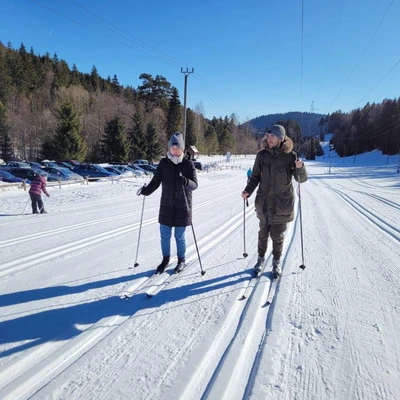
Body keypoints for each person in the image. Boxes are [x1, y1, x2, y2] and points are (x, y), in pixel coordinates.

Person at [241, 124, 308, 277]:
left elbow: (301, 179)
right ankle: (260, 259)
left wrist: (300, 167)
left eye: (273, 137)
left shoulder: (291, 156)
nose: (269, 139)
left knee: (277, 236)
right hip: (264, 202)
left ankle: (276, 262)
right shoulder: (261, 155)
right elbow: (255, 177)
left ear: (281, 138)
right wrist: (247, 191)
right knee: (262, 234)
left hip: (282, 204)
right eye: (268, 136)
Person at [139, 132, 198, 274]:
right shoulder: (164, 163)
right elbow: (156, 181)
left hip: (182, 206)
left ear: (182, 149)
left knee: (179, 236)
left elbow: (195, 184)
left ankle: (181, 260)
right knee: (164, 235)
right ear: (169, 148)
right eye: (173, 147)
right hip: (166, 206)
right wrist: (146, 191)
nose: (175, 150)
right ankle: (165, 259)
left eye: (178, 148)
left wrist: (185, 181)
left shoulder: (188, 164)